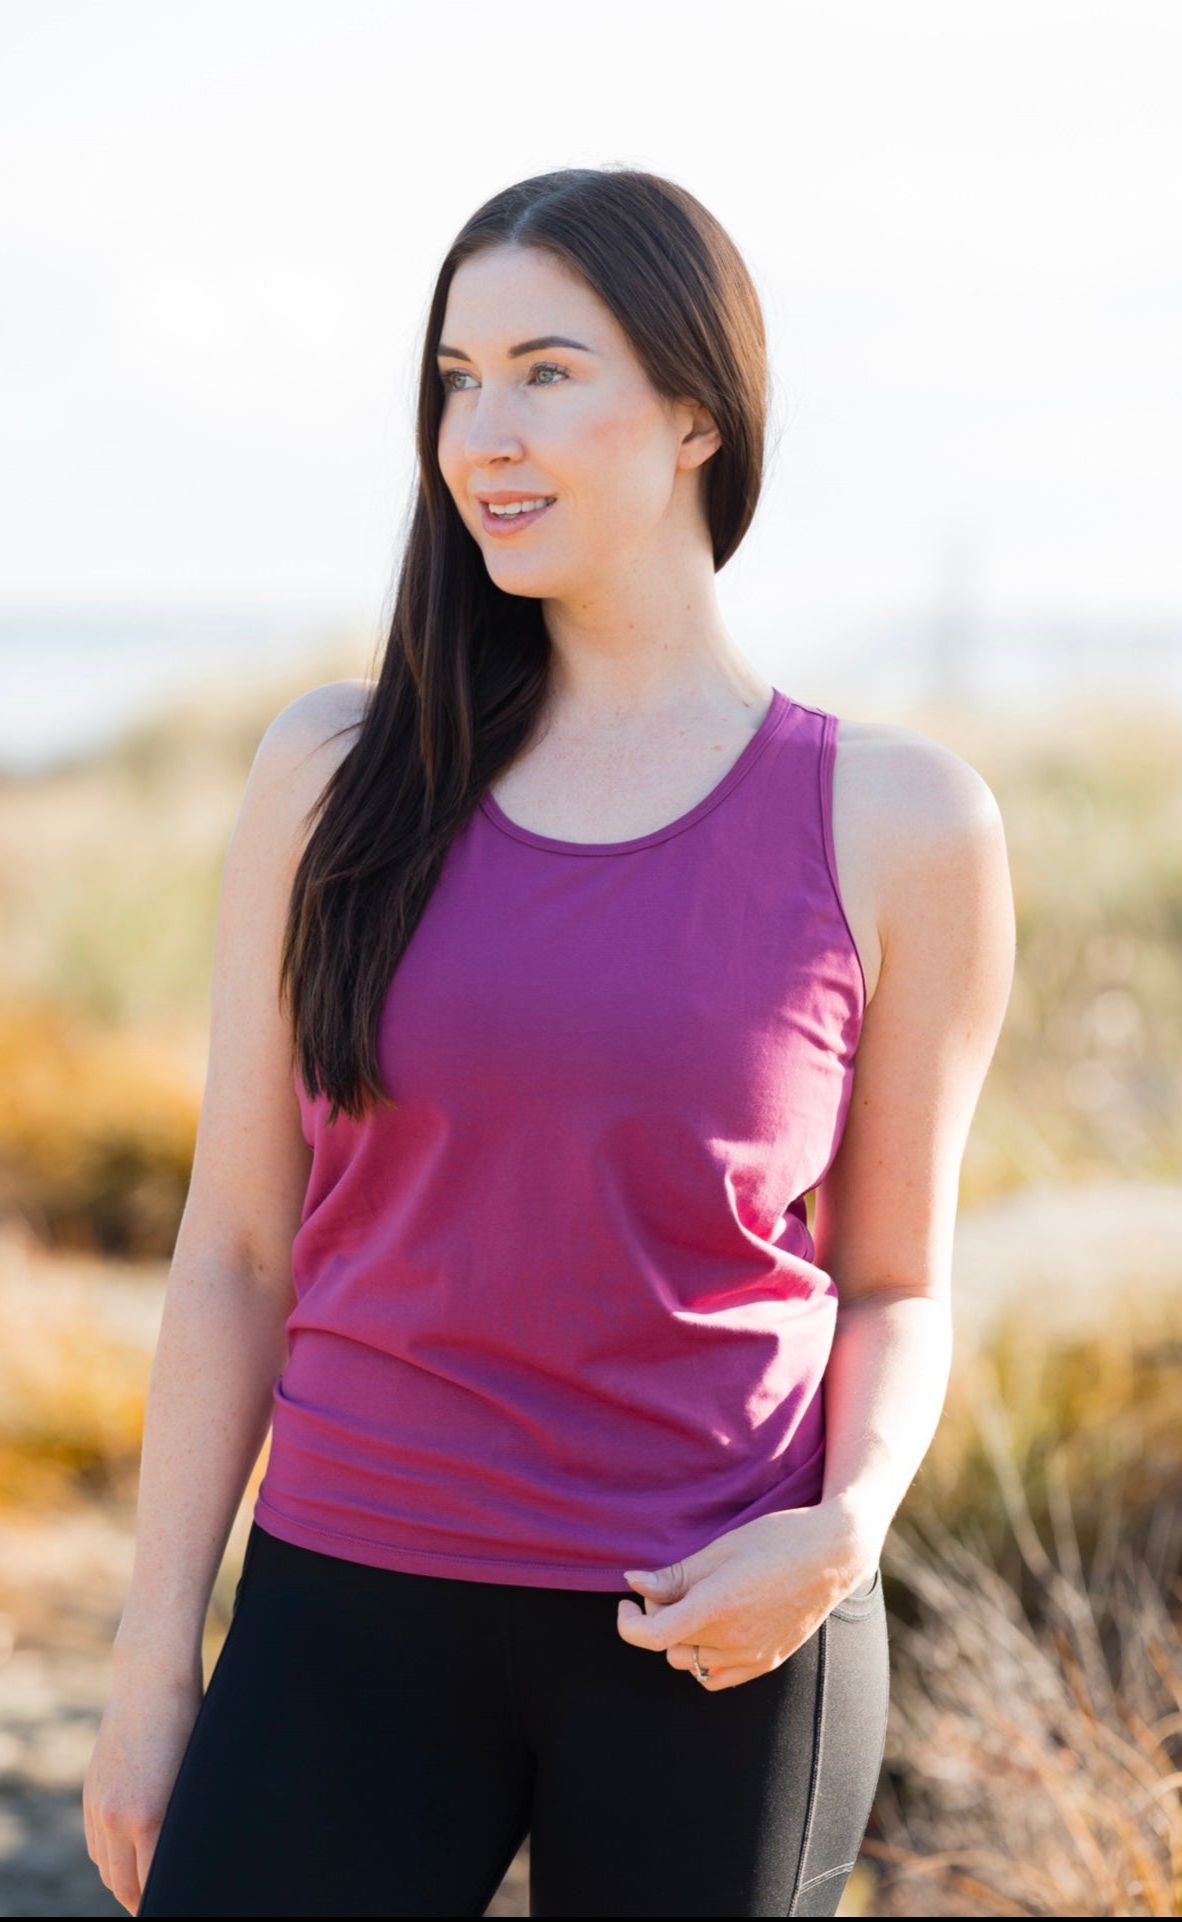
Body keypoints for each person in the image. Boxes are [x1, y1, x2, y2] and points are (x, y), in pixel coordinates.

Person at [84, 165, 1015, 1918]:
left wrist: (845, 1530)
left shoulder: (899, 823)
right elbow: (230, 1252)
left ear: (689, 411)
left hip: (718, 1633)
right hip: (346, 1600)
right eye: (454, 378)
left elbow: (892, 1280)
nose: (482, 432)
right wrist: (150, 1667)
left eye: (543, 370)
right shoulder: (334, 775)